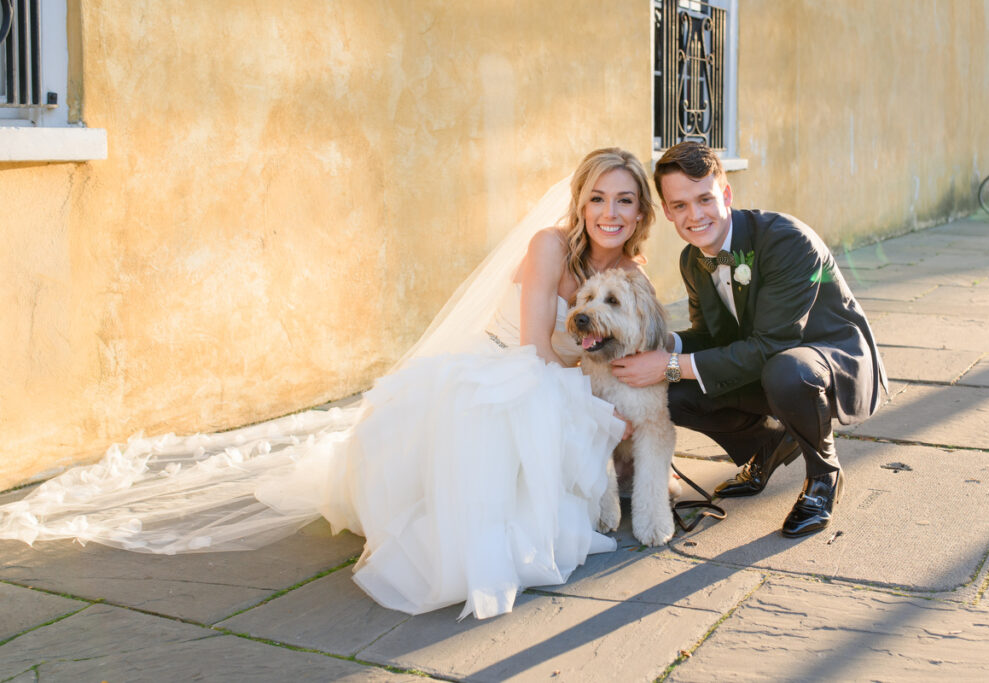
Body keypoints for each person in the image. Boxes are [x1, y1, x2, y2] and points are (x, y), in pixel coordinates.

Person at [0, 148, 657, 620]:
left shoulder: (631, 272)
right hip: (512, 369)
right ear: (579, 201)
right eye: (597, 196)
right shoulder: (550, 246)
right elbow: (536, 353)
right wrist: (593, 400)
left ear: (638, 212)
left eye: (624, 199)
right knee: (499, 500)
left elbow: (636, 346)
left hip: (555, 375)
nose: (610, 210)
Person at [612, 141, 888, 538]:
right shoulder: (693, 260)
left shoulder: (788, 240)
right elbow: (711, 336)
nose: (695, 215)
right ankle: (770, 445)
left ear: (725, 194)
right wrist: (661, 345)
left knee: (785, 372)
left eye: (704, 199)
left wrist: (670, 365)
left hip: (827, 361)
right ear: (668, 211)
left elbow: (774, 344)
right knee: (670, 391)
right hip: (766, 364)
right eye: (680, 205)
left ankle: (824, 475)